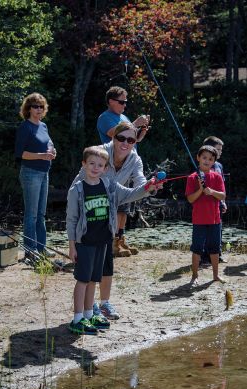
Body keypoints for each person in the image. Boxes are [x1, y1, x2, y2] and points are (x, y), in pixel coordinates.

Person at [66, 145, 158, 335]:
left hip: (103, 241)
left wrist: (149, 187)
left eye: (100, 165)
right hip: (84, 242)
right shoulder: (77, 190)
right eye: (91, 163)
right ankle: (77, 319)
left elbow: (132, 194)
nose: (95, 167)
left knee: (93, 279)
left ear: (106, 168)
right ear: (84, 164)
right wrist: (72, 246)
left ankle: (89, 314)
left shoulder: (110, 186)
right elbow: (72, 220)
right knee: (82, 280)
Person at [97, 86, 150, 257]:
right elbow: (116, 134)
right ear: (111, 101)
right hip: (113, 167)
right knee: (114, 204)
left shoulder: (124, 117)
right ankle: (111, 240)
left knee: (125, 208)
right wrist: (135, 123)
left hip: (129, 165)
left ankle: (120, 237)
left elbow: (133, 139)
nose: (124, 105)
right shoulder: (105, 118)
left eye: (126, 102)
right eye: (121, 102)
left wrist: (141, 132)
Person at [15, 92, 56, 257]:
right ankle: (30, 251)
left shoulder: (43, 126)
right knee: (31, 215)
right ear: (28, 109)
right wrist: (41, 156)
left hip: (44, 172)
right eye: (35, 106)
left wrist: (53, 152)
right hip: (30, 174)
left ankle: (41, 248)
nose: (39, 109)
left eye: (41, 106)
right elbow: (20, 153)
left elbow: (49, 144)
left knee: (41, 214)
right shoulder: (25, 127)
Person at [185, 145, 226, 286]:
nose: (207, 161)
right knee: (197, 249)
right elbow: (190, 199)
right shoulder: (192, 178)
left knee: (215, 249)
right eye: (204, 158)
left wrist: (212, 191)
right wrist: (201, 190)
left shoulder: (217, 176)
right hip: (199, 220)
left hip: (215, 219)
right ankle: (195, 276)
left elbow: (223, 196)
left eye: (210, 159)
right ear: (198, 158)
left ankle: (215, 275)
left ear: (214, 161)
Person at [203, 136, 227, 263]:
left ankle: (217, 254)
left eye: (221, 150)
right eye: (218, 149)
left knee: (218, 229)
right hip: (206, 204)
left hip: (218, 202)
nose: (220, 152)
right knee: (206, 230)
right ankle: (204, 256)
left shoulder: (219, 166)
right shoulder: (203, 165)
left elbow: (222, 185)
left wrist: (223, 202)